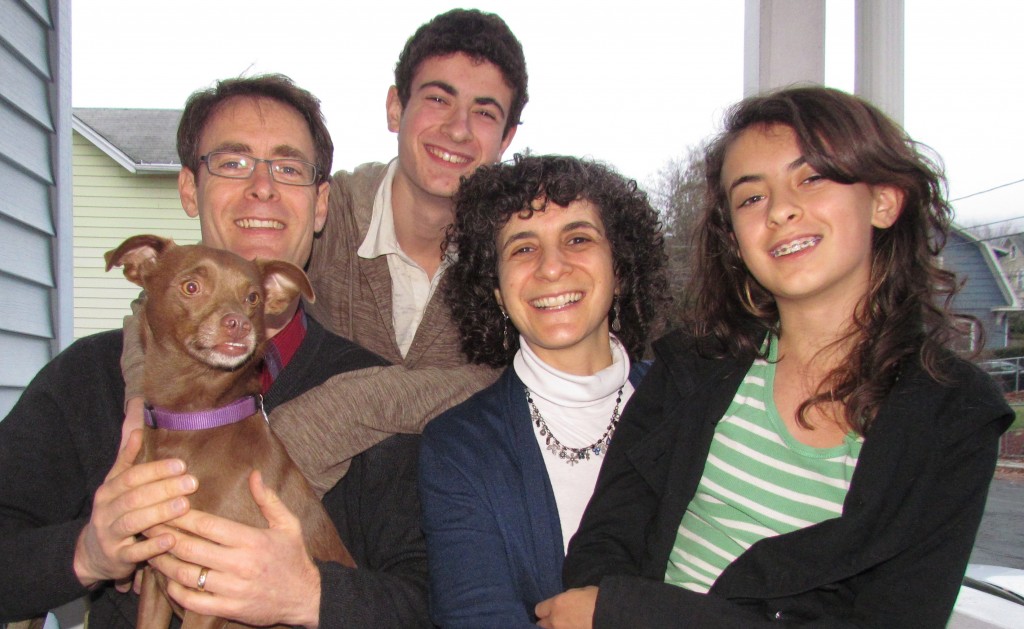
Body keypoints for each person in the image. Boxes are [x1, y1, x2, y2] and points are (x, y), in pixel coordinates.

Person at [536, 86, 1015, 628]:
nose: (782, 210)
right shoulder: (693, 366)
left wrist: (631, 613)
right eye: (751, 197)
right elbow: (609, 533)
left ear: (883, 200)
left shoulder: (952, 416)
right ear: (736, 238)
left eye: (811, 178)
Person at [0, 75, 429, 628]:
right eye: (233, 163)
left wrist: (313, 596)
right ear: (187, 187)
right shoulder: (87, 380)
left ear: (321, 205)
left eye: (288, 168)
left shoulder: (378, 398)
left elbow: (439, 603)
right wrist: (85, 552)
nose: (262, 187)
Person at [263, 8, 531, 494]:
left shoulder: (517, 258)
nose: (458, 129)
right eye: (437, 98)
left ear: (507, 138)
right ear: (395, 108)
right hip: (303, 522)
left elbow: (541, 378)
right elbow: (204, 289)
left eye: (486, 113)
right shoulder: (324, 216)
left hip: (449, 528)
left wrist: (351, 405)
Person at [419, 155, 669, 628]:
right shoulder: (458, 448)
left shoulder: (690, 402)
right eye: (523, 248)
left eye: (578, 239)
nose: (552, 267)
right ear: (495, 288)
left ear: (620, 268)